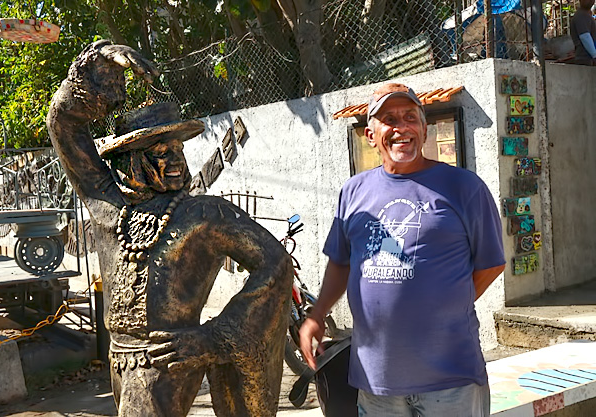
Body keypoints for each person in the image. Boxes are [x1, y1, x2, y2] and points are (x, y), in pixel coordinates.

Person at [47, 40, 293, 417]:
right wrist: (100, 65)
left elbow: (275, 264)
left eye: (178, 150)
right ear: (131, 162)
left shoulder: (203, 214)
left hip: (166, 360)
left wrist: (216, 337)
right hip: (119, 359)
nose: (177, 161)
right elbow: (63, 127)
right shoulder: (109, 207)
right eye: (161, 154)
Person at [299, 83, 505, 417]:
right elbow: (341, 261)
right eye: (389, 119)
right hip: (375, 381)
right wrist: (317, 315)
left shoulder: (464, 188)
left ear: (424, 129)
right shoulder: (353, 192)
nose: (402, 128)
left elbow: (491, 264)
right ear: (370, 134)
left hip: (450, 378)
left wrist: (447, 302)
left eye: (410, 117)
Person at [570, 0, 596, 66]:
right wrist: (594, 55)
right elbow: (585, 37)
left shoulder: (586, 15)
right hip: (586, 58)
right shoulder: (581, 15)